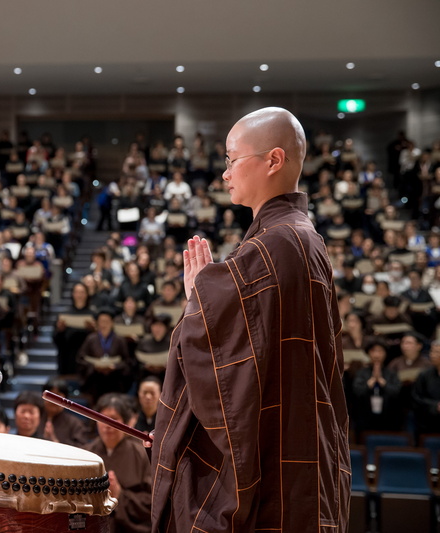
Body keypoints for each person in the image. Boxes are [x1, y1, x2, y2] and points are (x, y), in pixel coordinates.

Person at [150, 108, 350, 532]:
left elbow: (217, 355)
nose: (224, 173)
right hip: (302, 441)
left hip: (276, 457)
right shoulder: (302, 238)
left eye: (231, 159)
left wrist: (197, 304)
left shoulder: (275, 245)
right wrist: (207, 299)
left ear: (273, 160)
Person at [84, 393, 152, 533]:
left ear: (125, 423)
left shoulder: (142, 454)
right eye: (102, 419)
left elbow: (154, 499)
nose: (107, 425)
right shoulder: (86, 453)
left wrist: (119, 495)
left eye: (114, 419)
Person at [42, 377, 89, 447]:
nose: (53, 401)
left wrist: (55, 442)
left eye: (58, 396)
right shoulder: (34, 418)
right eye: (51, 396)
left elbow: (83, 449)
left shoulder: (75, 423)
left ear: (66, 399)